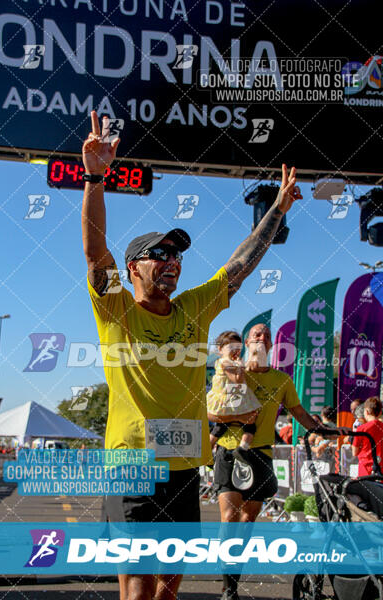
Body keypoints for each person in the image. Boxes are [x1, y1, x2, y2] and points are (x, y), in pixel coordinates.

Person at [82, 110, 302, 600]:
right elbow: (96, 253)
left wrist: (278, 210)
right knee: (137, 584)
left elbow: (240, 265)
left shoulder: (194, 307)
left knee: (170, 582)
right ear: (134, 267)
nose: (171, 263)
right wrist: (96, 178)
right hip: (133, 465)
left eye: (177, 255)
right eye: (159, 254)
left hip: (182, 463)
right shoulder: (115, 308)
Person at [208, 324, 323, 600]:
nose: (262, 338)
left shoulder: (281, 380)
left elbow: (298, 413)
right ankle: (228, 586)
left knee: (247, 521)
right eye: (257, 334)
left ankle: (234, 571)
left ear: (271, 346)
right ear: (247, 342)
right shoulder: (229, 370)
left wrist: (324, 430)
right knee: (230, 517)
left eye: (267, 336)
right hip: (229, 451)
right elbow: (210, 412)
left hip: (261, 454)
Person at [207, 331, 261, 461]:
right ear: (220, 349)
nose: (235, 351)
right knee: (248, 425)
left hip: (234, 396)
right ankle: (242, 448)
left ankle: (239, 449)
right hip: (227, 398)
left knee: (220, 428)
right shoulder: (225, 362)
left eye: (238, 348)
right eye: (231, 347)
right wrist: (241, 367)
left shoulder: (232, 362)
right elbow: (237, 380)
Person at [352, 397, 383, 476]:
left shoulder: (361, 428)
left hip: (365, 467)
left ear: (367, 412)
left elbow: (354, 452)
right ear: (380, 412)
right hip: (381, 468)